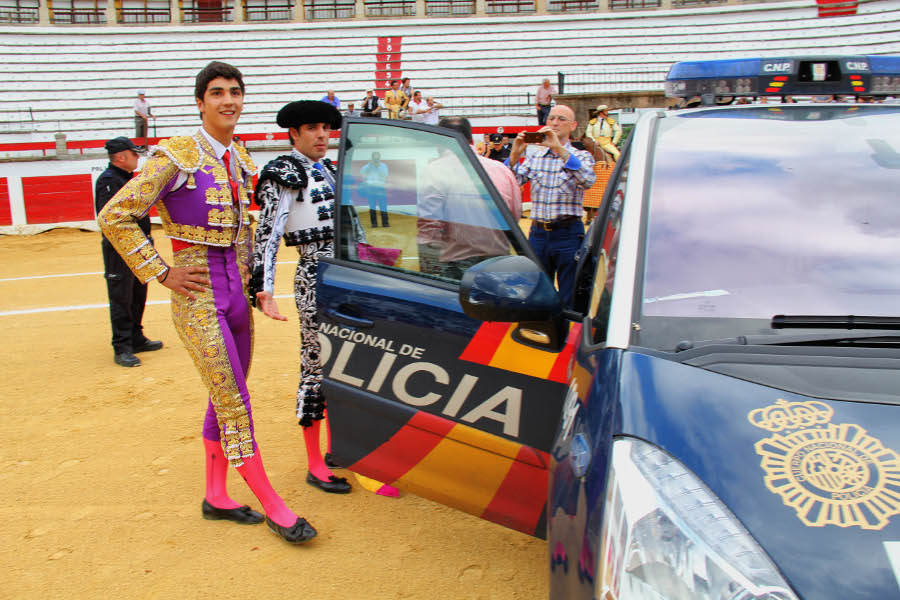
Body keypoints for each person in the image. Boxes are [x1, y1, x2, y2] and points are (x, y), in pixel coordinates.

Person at [97, 61, 317, 545]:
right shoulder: (176, 155)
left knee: (225, 396)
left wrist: (258, 286)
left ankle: (216, 495)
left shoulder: (240, 157)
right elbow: (116, 215)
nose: (228, 101)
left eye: (235, 92)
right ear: (201, 102)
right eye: (217, 93)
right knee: (236, 401)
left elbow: (250, 233)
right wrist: (160, 272)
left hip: (237, 298)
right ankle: (274, 506)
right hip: (199, 299)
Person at [250, 101, 399, 498]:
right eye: (312, 128)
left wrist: (377, 261)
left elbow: (352, 227)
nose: (322, 135)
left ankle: (343, 451)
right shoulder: (284, 173)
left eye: (326, 128)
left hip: (348, 275)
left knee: (355, 361)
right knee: (317, 365)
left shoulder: (332, 171)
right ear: (294, 134)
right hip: (315, 275)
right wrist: (263, 288)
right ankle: (316, 463)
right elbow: (267, 233)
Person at [506, 105, 596, 307]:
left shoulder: (581, 156)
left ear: (573, 125)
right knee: (536, 293)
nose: (555, 122)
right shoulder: (535, 156)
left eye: (562, 119)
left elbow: (588, 180)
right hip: (538, 233)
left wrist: (560, 150)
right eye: (552, 118)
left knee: (569, 295)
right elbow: (512, 181)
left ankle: (565, 334)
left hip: (568, 233)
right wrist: (514, 155)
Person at [418, 116, 522, 279]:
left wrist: (429, 272)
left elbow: (429, 227)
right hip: (499, 262)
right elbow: (514, 217)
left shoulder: (435, 170)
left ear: (441, 139)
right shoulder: (501, 169)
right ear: (472, 139)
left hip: (458, 266)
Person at [94, 136, 163, 368]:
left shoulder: (127, 179)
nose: (137, 157)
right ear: (121, 157)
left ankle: (135, 337)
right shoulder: (108, 181)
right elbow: (111, 220)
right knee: (121, 296)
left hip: (139, 246)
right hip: (119, 249)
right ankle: (122, 347)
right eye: (134, 154)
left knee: (137, 292)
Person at [360, 151, 389, 227]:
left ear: (379, 158)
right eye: (375, 157)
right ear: (372, 158)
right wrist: (370, 166)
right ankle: (374, 224)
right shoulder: (366, 167)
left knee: (383, 206)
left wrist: (378, 167)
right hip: (371, 188)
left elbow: (384, 175)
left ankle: (385, 223)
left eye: (377, 157)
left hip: (380, 188)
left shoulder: (383, 166)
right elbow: (363, 175)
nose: (376, 159)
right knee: (372, 206)